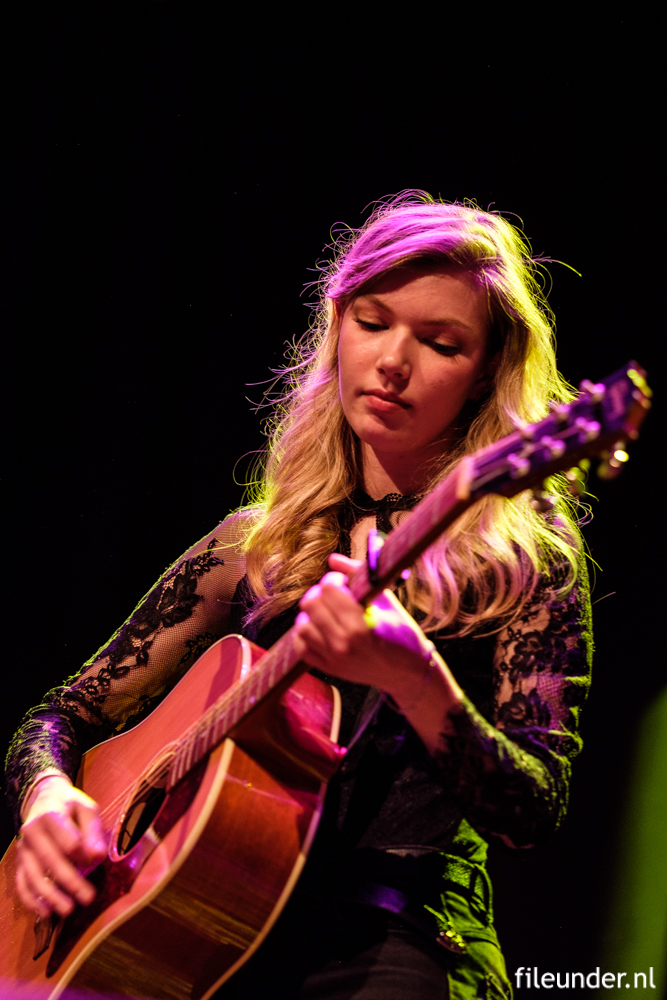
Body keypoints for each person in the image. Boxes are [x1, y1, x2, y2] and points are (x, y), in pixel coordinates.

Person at [5, 192, 593, 1000]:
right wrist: (46, 799)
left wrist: (414, 677)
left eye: (440, 342)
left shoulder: (524, 562)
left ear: (485, 373)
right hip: (194, 930)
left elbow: (532, 812)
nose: (393, 361)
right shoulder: (254, 546)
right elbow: (60, 716)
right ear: (337, 327)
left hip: (399, 935)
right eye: (372, 321)